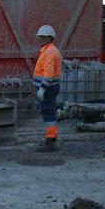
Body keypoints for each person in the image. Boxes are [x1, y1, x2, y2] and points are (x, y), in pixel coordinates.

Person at [32, 24, 63, 152]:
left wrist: (43, 89)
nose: (38, 39)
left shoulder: (49, 52)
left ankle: (51, 140)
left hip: (48, 89)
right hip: (49, 88)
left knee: (49, 114)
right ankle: (51, 138)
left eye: (40, 37)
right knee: (48, 112)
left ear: (47, 38)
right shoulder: (48, 50)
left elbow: (49, 74)